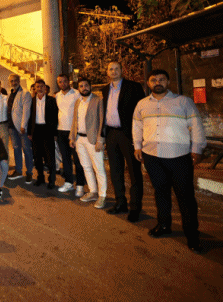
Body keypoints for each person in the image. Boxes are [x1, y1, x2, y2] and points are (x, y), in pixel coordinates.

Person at [133, 69, 206, 253]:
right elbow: (137, 125)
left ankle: (192, 235)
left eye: (161, 79)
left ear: (168, 82)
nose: (157, 82)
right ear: (148, 83)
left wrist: (197, 149)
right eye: (153, 80)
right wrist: (137, 146)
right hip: (152, 155)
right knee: (161, 192)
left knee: (185, 197)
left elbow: (196, 125)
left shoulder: (183, 102)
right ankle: (164, 225)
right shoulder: (142, 104)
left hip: (178, 156)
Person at [102, 62, 146, 222]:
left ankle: (135, 208)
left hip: (129, 134)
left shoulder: (134, 87)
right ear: (107, 72)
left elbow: (142, 111)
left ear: (122, 70)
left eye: (116, 69)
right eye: (111, 69)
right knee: (115, 171)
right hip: (111, 134)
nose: (113, 71)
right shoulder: (105, 89)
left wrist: (141, 136)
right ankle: (120, 203)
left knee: (134, 172)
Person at [69, 77, 107, 209]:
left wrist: (100, 140)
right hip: (79, 139)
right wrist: (72, 137)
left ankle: (102, 195)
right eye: (81, 86)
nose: (84, 88)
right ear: (78, 88)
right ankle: (93, 192)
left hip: (93, 140)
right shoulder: (78, 101)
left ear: (90, 86)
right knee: (86, 167)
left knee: (99, 168)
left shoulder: (98, 100)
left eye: (86, 85)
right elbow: (75, 120)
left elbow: (102, 121)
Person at [55, 74, 86, 197]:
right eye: (60, 82)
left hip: (74, 131)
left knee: (78, 159)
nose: (62, 83)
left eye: (64, 81)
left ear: (69, 82)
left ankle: (80, 185)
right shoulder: (57, 96)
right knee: (65, 158)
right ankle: (68, 182)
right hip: (61, 130)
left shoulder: (77, 94)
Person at [28, 79, 59, 188]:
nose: (40, 88)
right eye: (37, 87)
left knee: (49, 157)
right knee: (37, 157)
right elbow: (29, 118)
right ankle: (40, 177)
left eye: (42, 86)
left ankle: (52, 180)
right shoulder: (31, 101)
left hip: (48, 130)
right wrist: (29, 132)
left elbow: (55, 117)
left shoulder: (51, 100)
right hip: (36, 130)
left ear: (45, 88)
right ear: (35, 89)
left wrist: (55, 133)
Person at [6, 74, 34, 182]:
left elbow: (26, 111)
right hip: (11, 127)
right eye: (11, 81)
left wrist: (23, 125)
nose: (13, 83)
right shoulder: (10, 93)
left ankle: (29, 172)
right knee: (16, 149)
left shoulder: (25, 93)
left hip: (21, 128)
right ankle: (18, 171)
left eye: (15, 80)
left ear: (19, 80)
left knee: (26, 150)